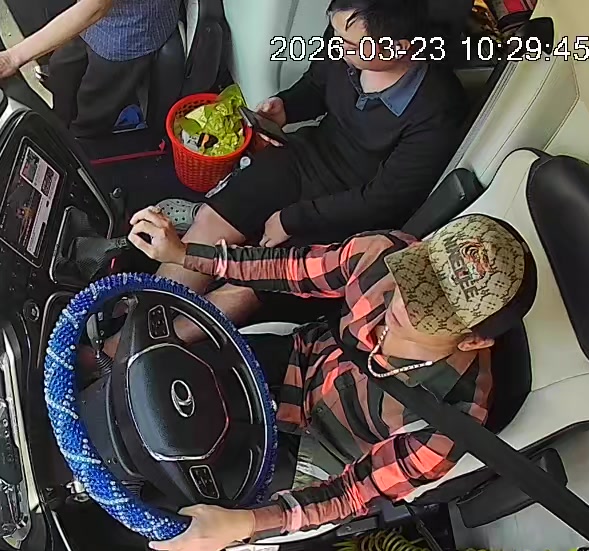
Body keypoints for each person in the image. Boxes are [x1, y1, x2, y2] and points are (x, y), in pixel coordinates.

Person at [125, 209, 536, 551]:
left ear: (473, 341)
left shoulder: (450, 423)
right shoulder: (383, 253)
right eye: (417, 274)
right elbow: (291, 269)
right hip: (300, 361)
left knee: (177, 508)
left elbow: (353, 494)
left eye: (430, 309)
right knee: (158, 384)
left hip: (321, 454)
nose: (403, 301)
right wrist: (185, 254)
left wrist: (239, 525)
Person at [109, 0, 470, 347]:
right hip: (308, 157)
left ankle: (140, 350)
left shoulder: (437, 108)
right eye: (335, 35)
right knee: (212, 222)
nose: (337, 47)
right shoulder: (344, 41)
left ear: (399, 47)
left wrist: (292, 218)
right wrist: (286, 107)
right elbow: (316, 84)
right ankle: (130, 324)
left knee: (250, 284)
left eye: (349, 44)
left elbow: (383, 200)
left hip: (352, 209)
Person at [0, 0, 180, 137]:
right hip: (94, 18)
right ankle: (61, 125)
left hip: (131, 28)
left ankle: (82, 143)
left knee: (92, 105)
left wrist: (12, 57)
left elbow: (95, 7)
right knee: (61, 68)